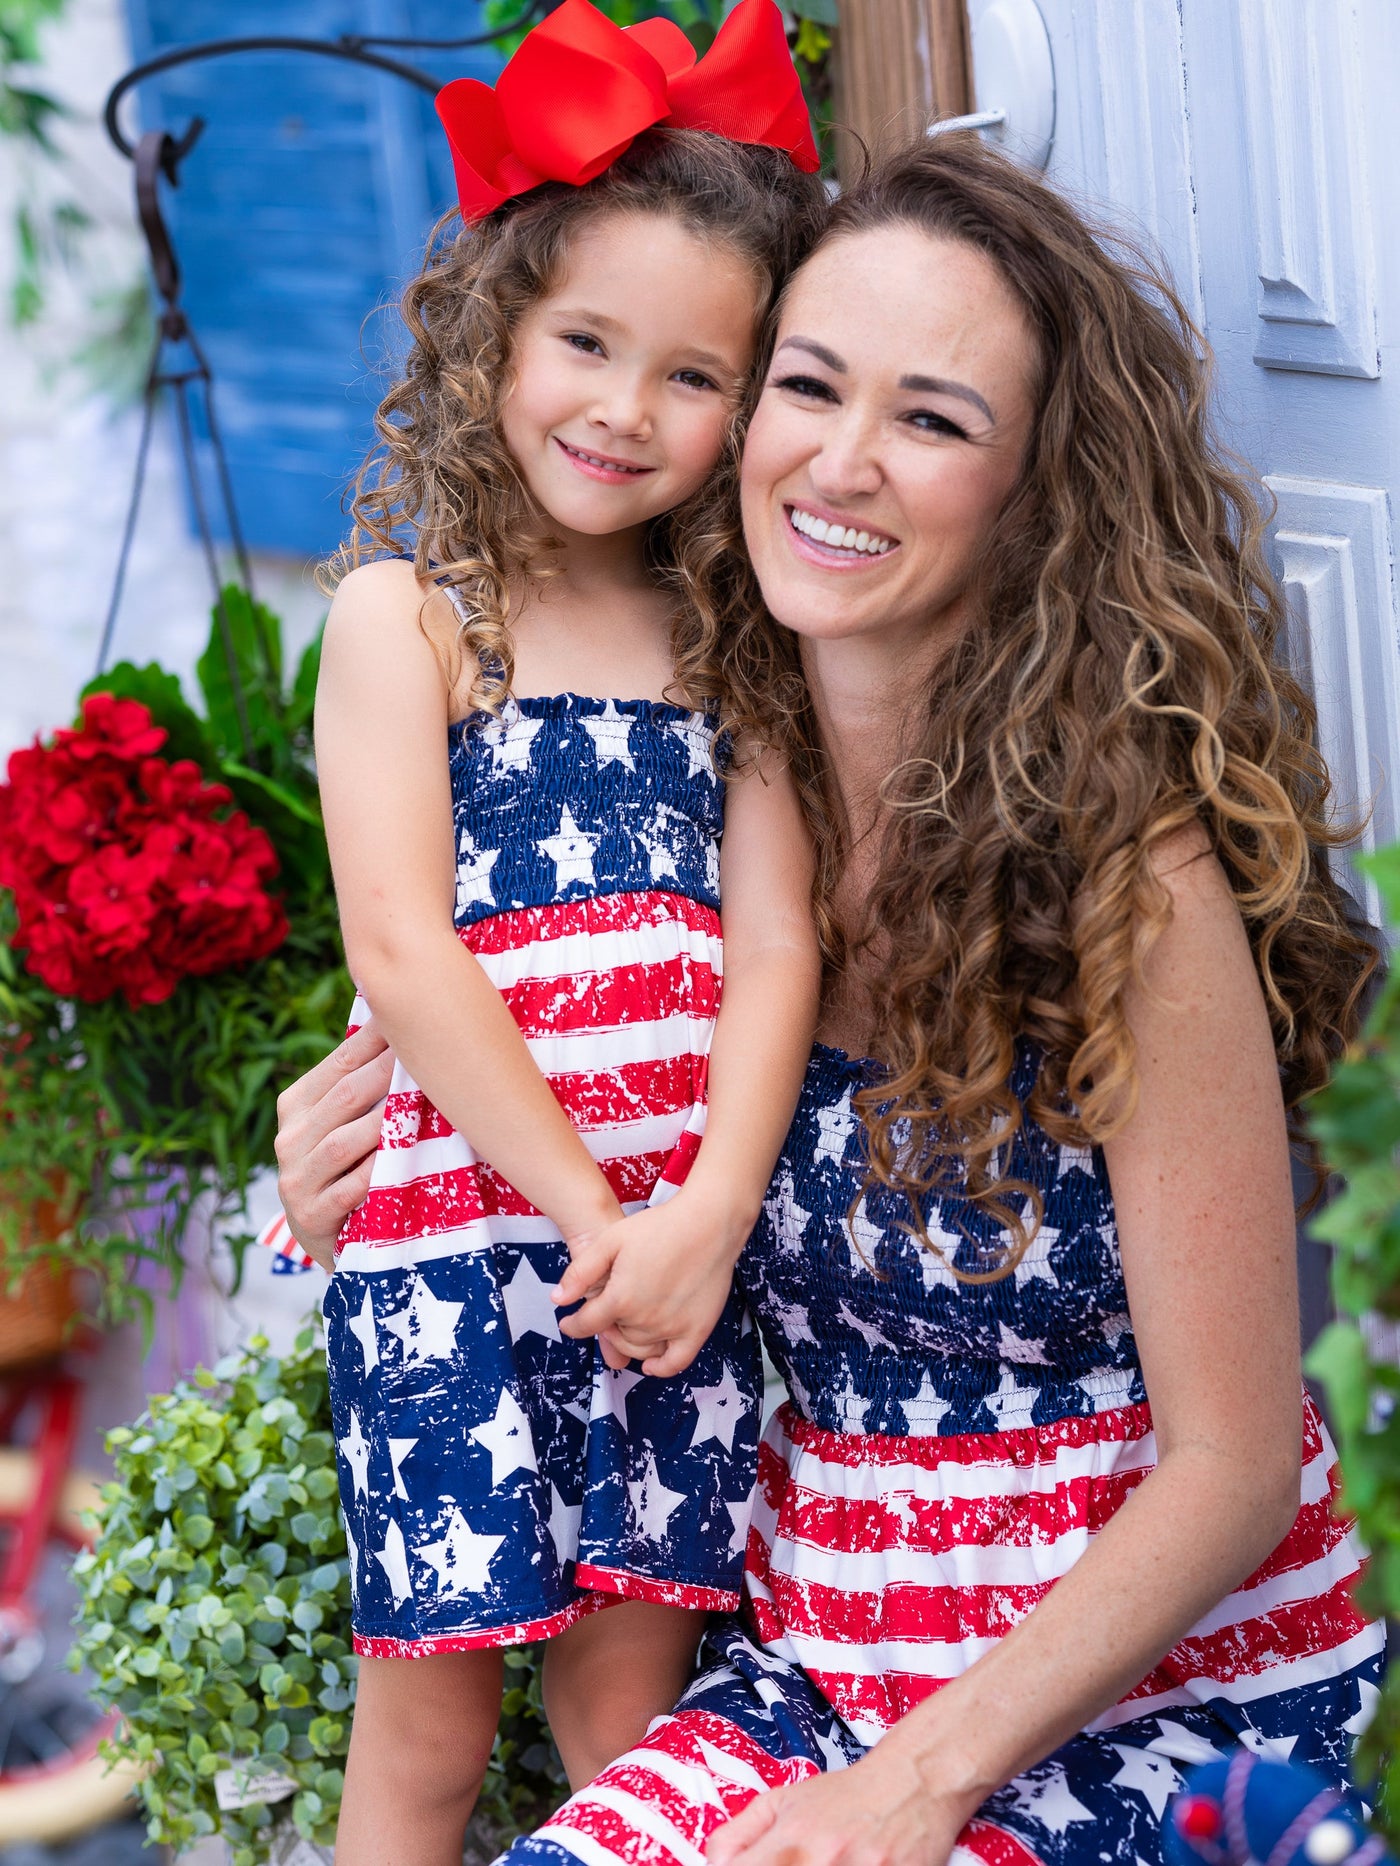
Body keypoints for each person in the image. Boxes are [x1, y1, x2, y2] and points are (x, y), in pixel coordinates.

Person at [276, 130, 1384, 1866]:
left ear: (1035, 489)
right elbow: (490, 1001)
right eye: (809, 384)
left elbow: (1234, 1470)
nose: (842, 461)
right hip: (823, 1667)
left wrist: (922, 1782)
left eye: (934, 419)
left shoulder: (1118, 881)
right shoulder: (698, 795)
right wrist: (344, 1143)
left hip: (1132, 1700)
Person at [301, 6, 830, 1862]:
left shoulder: (735, 643)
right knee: (429, 1741)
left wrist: (696, 1219)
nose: (623, 407)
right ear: (496, 329)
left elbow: (776, 945)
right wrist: (593, 1210)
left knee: (637, 1726)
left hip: (674, 1272)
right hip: (463, 1252)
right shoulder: (410, 618)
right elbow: (405, 954)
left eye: (695, 375)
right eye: (586, 341)